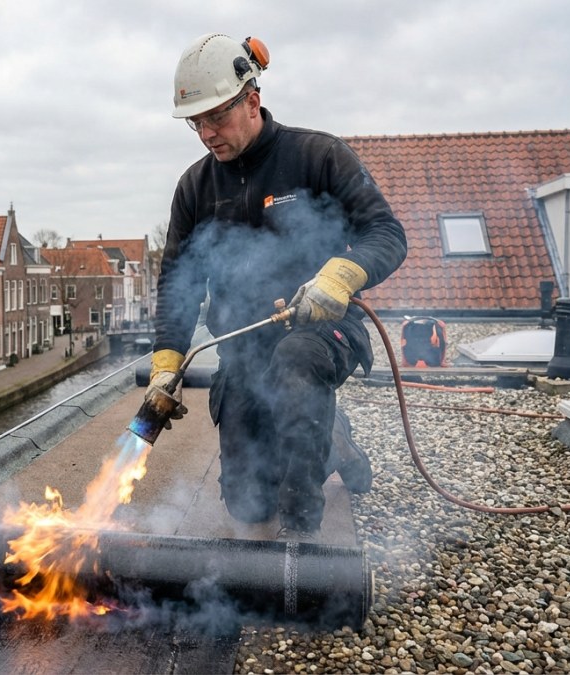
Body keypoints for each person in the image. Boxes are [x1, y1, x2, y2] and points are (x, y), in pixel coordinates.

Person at [148, 34, 407, 539]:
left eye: (216, 117)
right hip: (243, 349)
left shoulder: (317, 156)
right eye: (195, 123)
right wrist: (164, 365)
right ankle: (333, 439)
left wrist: (341, 275)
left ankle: (303, 527)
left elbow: (386, 233)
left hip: (322, 332)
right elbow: (178, 284)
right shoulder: (195, 187)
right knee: (246, 506)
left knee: (295, 367)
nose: (206, 133)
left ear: (252, 99)